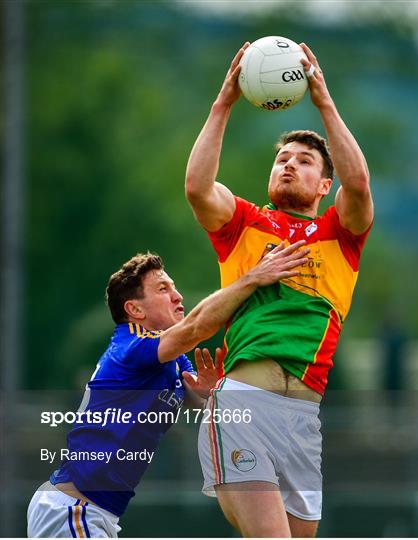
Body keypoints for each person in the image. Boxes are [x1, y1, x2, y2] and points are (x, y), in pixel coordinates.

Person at [185, 41, 374, 537]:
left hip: (303, 415)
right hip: (246, 400)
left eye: (306, 161)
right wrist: (222, 104)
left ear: (322, 187)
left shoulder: (340, 235)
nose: (289, 164)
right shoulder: (245, 224)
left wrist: (324, 102)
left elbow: (359, 186)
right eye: (282, 158)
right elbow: (198, 188)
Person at [27, 246, 310, 538]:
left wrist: (213, 395)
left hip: (94, 514)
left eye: (174, 287)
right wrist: (252, 278)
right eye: (163, 289)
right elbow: (196, 327)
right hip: (73, 511)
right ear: (135, 309)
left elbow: (207, 406)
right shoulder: (132, 346)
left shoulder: (171, 361)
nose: (177, 296)